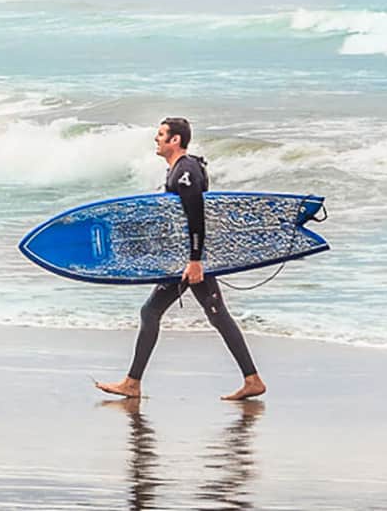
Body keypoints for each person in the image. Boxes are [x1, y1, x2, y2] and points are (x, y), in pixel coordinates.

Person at [96, 117, 266, 401]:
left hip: (189, 260)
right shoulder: (179, 170)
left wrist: (195, 260)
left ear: (175, 140)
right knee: (216, 314)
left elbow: (197, 217)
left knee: (151, 313)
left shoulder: (185, 172)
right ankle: (252, 379)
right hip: (187, 258)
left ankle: (132, 383)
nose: (156, 139)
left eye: (161, 134)